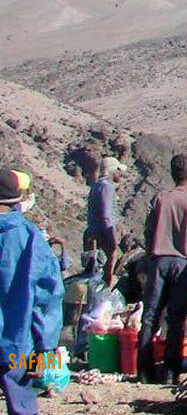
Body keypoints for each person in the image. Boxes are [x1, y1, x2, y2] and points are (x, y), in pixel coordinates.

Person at [138, 154, 187, 383]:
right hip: (184, 265)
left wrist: (152, 255)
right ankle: (170, 371)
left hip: (159, 261)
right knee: (177, 319)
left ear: (172, 174)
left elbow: (148, 231)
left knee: (150, 317)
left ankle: (144, 371)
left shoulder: (160, 199)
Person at [0, 168, 62, 415]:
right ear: (17, 200)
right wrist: (45, 352)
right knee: (22, 407)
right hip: (19, 348)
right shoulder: (29, 237)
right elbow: (46, 298)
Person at [84, 157, 126, 283]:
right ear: (112, 170)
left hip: (91, 233)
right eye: (118, 170)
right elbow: (106, 215)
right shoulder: (107, 187)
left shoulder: (96, 186)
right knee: (105, 272)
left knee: (91, 272)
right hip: (101, 235)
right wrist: (112, 240)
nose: (120, 174)